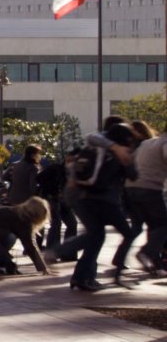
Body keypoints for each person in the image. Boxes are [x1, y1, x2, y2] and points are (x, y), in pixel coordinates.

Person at [67, 123, 138, 291]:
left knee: (96, 237)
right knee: (128, 234)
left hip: (86, 199)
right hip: (107, 202)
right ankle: (117, 272)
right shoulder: (116, 154)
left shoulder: (97, 149)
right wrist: (128, 161)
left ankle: (80, 277)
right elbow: (133, 175)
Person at [119, 121, 167, 277]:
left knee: (152, 227)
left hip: (131, 189)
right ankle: (146, 253)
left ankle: (155, 264)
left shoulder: (147, 143)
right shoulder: (164, 143)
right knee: (163, 225)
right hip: (150, 188)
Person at [37, 155, 77, 259]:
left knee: (72, 223)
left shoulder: (75, 173)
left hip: (64, 200)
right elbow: (39, 178)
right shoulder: (55, 168)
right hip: (52, 199)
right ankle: (52, 252)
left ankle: (68, 253)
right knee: (56, 223)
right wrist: (51, 190)